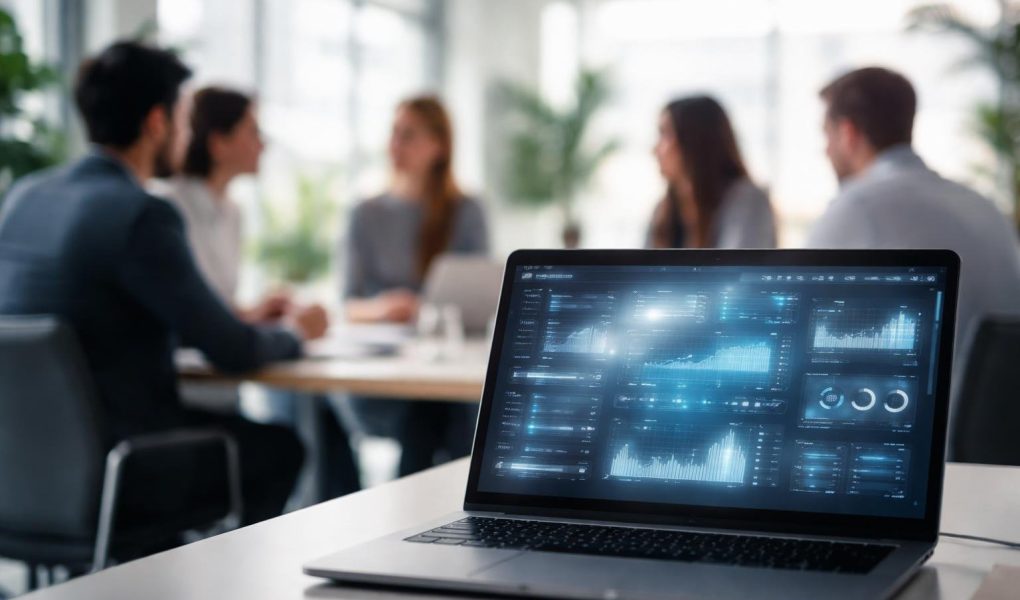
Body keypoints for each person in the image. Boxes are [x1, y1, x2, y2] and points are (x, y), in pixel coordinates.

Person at [0, 41, 329, 526]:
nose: (184, 132)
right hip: (124, 471)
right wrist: (297, 334)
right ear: (157, 122)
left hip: (21, 473)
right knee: (279, 449)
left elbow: (95, 319)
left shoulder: (23, 197)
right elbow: (232, 350)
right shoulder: (141, 214)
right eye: (180, 118)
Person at [806, 66, 1020, 426]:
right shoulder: (980, 203)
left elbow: (801, 326)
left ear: (848, 133)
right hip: (1002, 437)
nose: (825, 149)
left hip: (919, 434)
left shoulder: (858, 207)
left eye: (826, 135)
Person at [342, 95, 488, 476]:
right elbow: (348, 303)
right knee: (426, 414)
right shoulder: (365, 214)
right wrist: (385, 308)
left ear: (438, 147)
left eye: (408, 136)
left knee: (450, 414)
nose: (395, 146)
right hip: (389, 370)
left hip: (449, 365)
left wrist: (430, 310)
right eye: (393, 134)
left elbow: (482, 294)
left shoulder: (466, 211)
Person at [152, 86, 289, 322]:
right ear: (219, 144)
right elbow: (188, 312)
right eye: (253, 132)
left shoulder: (233, 212)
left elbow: (219, 306)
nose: (263, 145)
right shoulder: (166, 205)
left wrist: (259, 312)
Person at [648, 95, 776, 249]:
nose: (655, 150)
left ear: (694, 141)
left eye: (665, 134)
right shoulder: (663, 212)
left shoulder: (748, 200)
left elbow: (737, 269)